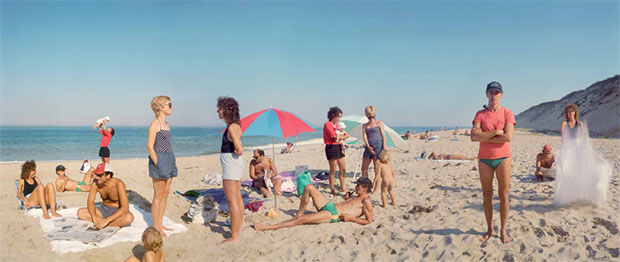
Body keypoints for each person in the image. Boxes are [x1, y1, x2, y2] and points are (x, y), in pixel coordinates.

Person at [470, 81, 516, 244]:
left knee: (503, 194)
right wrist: (496, 132)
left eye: (497, 92)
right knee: (487, 195)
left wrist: (485, 135)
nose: (494, 95)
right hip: (484, 159)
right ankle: (490, 229)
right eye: (491, 92)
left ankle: (503, 230)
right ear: (487, 94)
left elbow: (508, 137)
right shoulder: (480, 114)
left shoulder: (507, 113)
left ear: (501, 95)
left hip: (503, 158)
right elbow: (473, 137)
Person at [253, 177, 374, 231]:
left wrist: (351, 219)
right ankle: (299, 213)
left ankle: (267, 228)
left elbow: (369, 221)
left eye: (358, 185)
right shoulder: (358, 196)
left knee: (302, 221)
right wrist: (348, 197)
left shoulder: (366, 201)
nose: (356, 186)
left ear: (365, 188)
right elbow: (350, 204)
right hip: (330, 206)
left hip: (333, 215)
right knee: (309, 187)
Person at [553, 104, 611, 206]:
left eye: (572, 111)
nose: (570, 114)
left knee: (581, 169)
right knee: (565, 170)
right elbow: (563, 136)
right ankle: (565, 194)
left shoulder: (579, 123)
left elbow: (584, 137)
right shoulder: (564, 123)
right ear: (566, 113)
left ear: (575, 112)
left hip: (577, 147)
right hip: (568, 148)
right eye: (568, 112)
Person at [147, 96, 178, 237]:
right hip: (160, 160)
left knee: (165, 193)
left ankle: (160, 223)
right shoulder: (155, 124)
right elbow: (149, 146)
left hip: (169, 158)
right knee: (158, 195)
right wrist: (157, 162)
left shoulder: (166, 124)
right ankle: (156, 226)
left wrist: (170, 159)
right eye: (169, 104)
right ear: (160, 107)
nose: (171, 107)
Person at [217, 96, 244, 243]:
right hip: (233, 163)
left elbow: (239, 147)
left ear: (227, 110)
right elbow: (239, 144)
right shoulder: (235, 125)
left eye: (220, 108)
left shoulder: (232, 127)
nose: (218, 111)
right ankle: (237, 228)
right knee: (237, 198)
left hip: (230, 165)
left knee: (231, 200)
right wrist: (239, 147)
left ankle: (235, 236)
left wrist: (239, 149)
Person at [77, 162, 134, 229]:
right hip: (103, 209)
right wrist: (94, 217)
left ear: (108, 175)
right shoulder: (96, 183)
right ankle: (108, 223)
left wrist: (106, 220)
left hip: (117, 211)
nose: (97, 177)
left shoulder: (118, 184)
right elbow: (90, 202)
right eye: (96, 174)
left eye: (100, 175)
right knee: (80, 212)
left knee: (129, 218)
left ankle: (104, 223)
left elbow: (125, 207)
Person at [361, 106, 387, 194]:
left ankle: (376, 189)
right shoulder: (364, 125)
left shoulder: (379, 123)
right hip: (369, 147)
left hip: (378, 146)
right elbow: (364, 137)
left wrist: (384, 147)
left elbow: (383, 135)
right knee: (364, 168)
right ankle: (367, 186)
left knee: (377, 170)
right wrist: (368, 147)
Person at [323, 106, 348, 194]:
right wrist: (344, 136)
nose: (338, 119)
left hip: (338, 147)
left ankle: (342, 186)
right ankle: (332, 188)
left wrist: (342, 136)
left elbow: (342, 135)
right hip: (331, 147)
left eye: (340, 117)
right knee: (333, 170)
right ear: (333, 115)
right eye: (338, 117)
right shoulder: (327, 124)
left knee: (343, 168)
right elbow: (334, 137)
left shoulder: (337, 125)